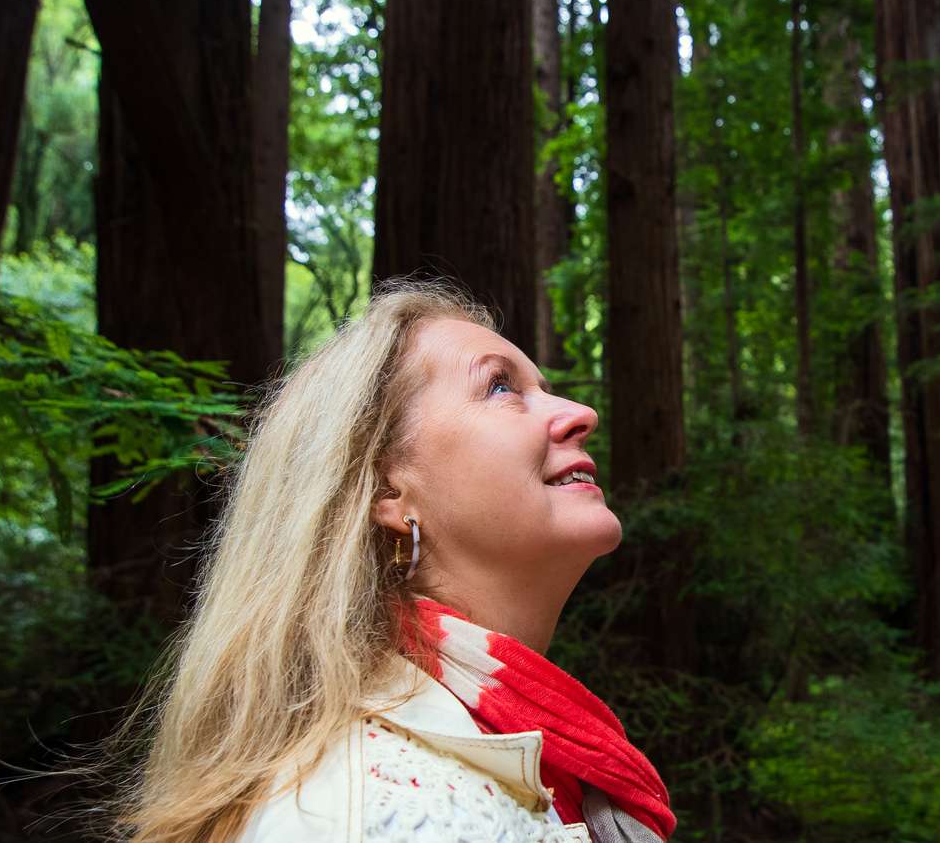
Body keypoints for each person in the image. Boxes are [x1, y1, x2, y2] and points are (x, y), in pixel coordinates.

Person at [110, 281, 674, 842]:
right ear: (387, 490)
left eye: (543, 388)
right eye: (500, 386)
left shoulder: (544, 763)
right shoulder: (368, 811)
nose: (582, 413)